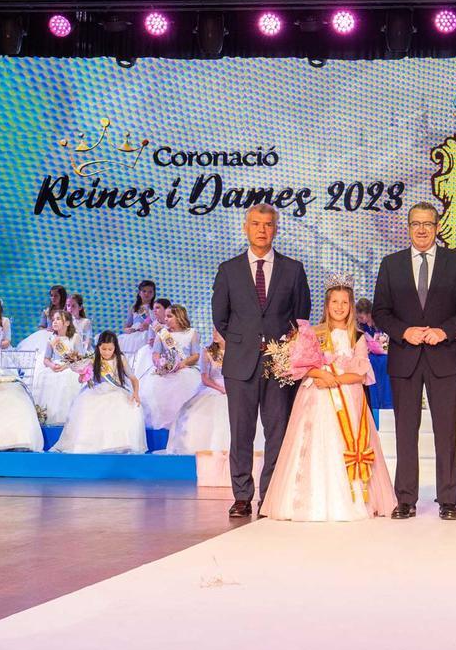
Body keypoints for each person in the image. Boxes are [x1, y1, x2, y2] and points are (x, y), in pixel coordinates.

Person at [260, 275, 396, 521]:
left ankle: (354, 498)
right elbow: (301, 364)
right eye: (335, 301)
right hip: (317, 397)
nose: (340, 307)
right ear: (327, 305)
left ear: (351, 306)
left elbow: (361, 372)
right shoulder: (315, 333)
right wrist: (319, 374)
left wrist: (335, 379)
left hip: (349, 399)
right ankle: (313, 499)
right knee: (318, 442)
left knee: (347, 442)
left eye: (345, 302)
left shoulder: (358, 336)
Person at [372, 202, 456, 521]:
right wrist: (406, 331)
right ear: (408, 228)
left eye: (427, 224)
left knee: (445, 430)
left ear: (437, 226)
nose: (421, 229)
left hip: (444, 357)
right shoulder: (391, 264)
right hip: (405, 358)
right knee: (405, 430)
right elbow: (380, 312)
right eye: (415, 224)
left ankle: (447, 498)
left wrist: (443, 332)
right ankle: (406, 499)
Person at [212, 203, 311, 518]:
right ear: (246, 227)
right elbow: (221, 317)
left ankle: (271, 495)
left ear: (275, 229)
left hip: (279, 366)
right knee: (241, 432)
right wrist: (245, 344)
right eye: (256, 224)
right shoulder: (228, 270)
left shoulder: (293, 269)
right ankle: (242, 495)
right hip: (241, 366)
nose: (262, 230)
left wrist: (280, 349)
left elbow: (301, 315)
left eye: (268, 224)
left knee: (277, 432)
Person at [52, 331, 147, 454]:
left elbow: (133, 378)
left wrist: (136, 393)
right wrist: (64, 368)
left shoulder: (120, 359)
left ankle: (119, 444)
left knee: (127, 408)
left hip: (116, 391)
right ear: (98, 347)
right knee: (88, 408)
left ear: (115, 348)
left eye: (110, 349)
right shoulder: (93, 358)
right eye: (103, 349)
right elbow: (79, 368)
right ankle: (89, 444)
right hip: (96, 391)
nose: (106, 352)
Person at [166, 328, 233, 455]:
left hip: (232, 388)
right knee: (198, 414)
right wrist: (221, 389)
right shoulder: (207, 351)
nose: (214, 334)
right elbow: (205, 378)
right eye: (212, 331)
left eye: (217, 331)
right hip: (213, 388)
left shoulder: (235, 351)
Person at [138, 304, 202, 430]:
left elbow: (196, 355)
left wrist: (183, 364)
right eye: (165, 316)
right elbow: (155, 354)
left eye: (169, 316)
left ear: (179, 317)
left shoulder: (192, 333)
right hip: (166, 371)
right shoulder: (162, 334)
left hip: (185, 370)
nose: (165, 319)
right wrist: (160, 364)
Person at [34, 309, 84, 425]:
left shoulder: (75, 337)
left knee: (67, 378)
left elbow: (80, 357)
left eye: (58, 319)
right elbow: (46, 359)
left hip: (70, 367)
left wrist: (66, 366)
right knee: (46, 377)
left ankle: (69, 418)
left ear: (67, 323)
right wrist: (51, 365)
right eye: (53, 320)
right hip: (55, 367)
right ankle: (50, 417)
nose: (54, 322)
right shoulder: (52, 339)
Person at [355, 297, 393, 412]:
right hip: (369, 357)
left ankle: (387, 403)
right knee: (369, 365)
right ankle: (374, 403)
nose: (359, 319)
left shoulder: (381, 323)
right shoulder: (358, 326)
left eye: (361, 317)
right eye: (358, 317)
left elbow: (387, 341)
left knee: (386, 364)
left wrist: (381, 345)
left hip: (384, 356)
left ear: (369, 314)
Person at [15, 285, 68, 354]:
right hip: (48, 336)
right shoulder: (47, 311)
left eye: (56, 296)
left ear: (62, 296)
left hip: (63, 336)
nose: (53, 298)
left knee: (63, 353)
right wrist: (45, 330)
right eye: (51, 295)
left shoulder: (67, 311)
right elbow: (41, 325)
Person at [120, 280, 157, 354]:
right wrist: (127, 330)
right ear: (139, 292)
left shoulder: (156, 307)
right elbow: (127, 325)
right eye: (144, 291)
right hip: (134, 334)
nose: (147, 294)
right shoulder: (134, 307)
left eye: (150, 292)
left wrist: (149, 326)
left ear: (154, 294)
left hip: (149, 334)